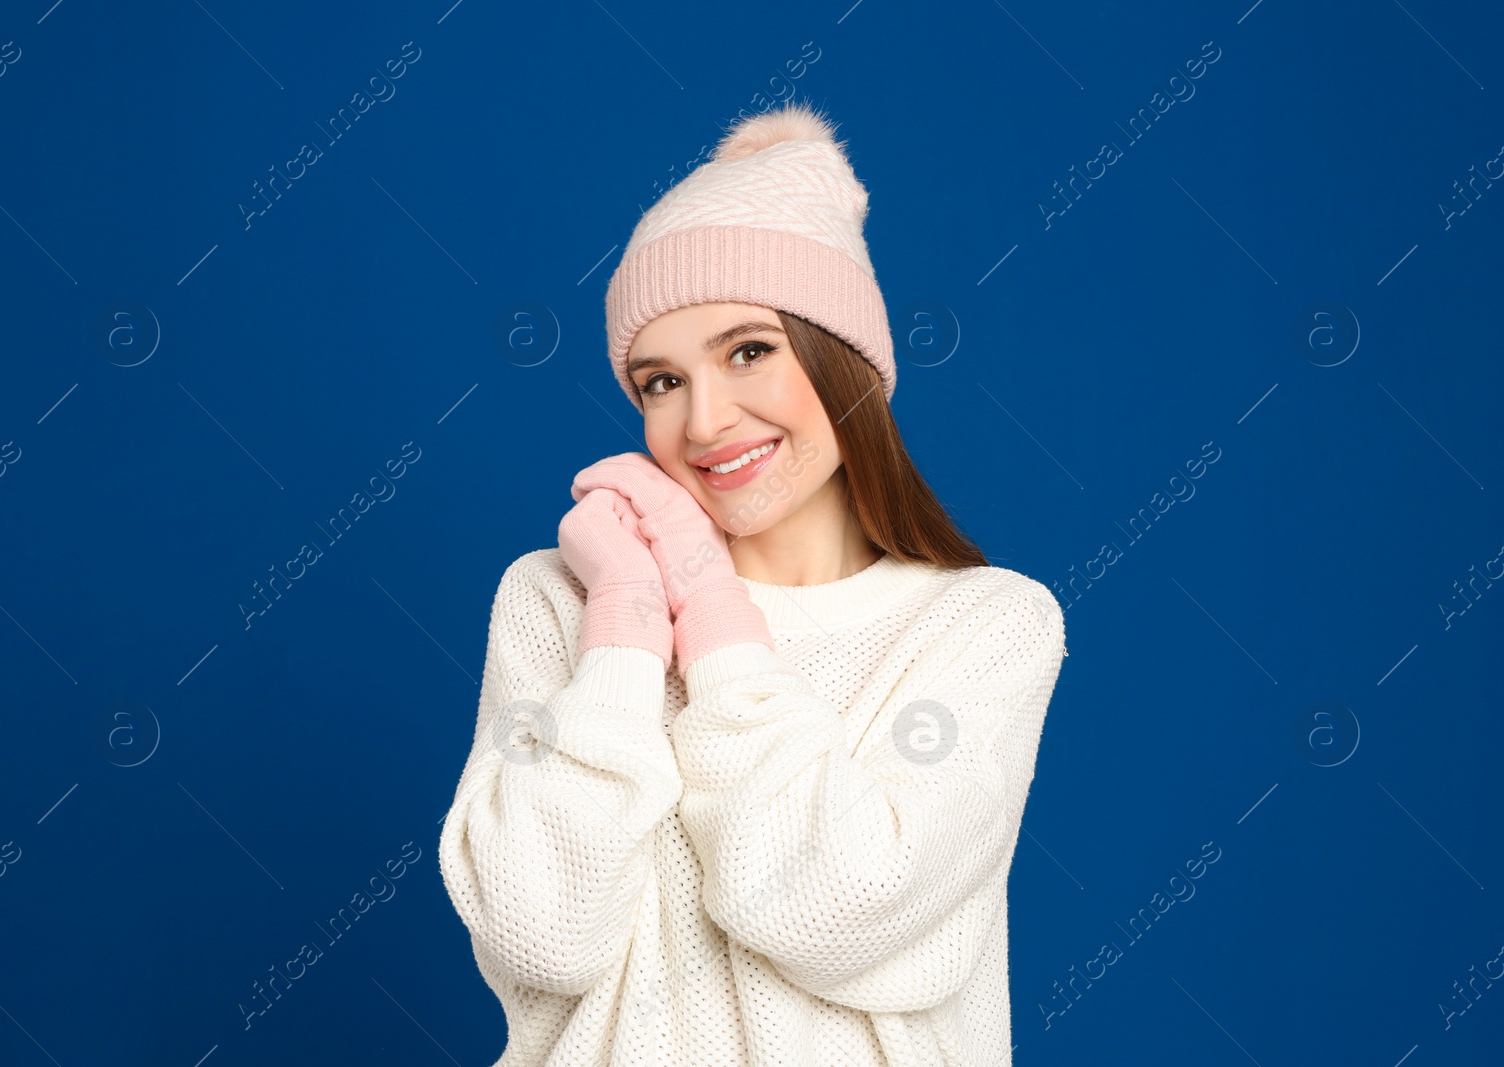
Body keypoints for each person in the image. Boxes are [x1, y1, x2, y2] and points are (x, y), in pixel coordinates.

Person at [438, 98, 1066, 1067]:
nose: (703, 421)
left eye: (748, 351)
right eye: (659, 381)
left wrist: (715, 618)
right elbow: (541, 932)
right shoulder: (563, 597)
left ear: (844, 358)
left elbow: (836, 908)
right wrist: (626, 629)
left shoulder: (986, 623)